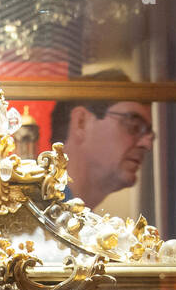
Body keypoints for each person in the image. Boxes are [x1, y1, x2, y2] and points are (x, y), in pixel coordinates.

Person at [49, 68, 154, 211]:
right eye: (134, 126)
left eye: (150, 134)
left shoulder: (60, 212)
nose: (147, 144)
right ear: (81, 122)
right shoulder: (34, 211)